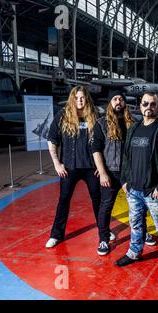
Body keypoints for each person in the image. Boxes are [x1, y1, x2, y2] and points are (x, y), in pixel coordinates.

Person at [116, 91, 158, 283]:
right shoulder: (134, 128)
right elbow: (126, 157)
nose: (148, 107)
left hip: (153, 190)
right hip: (133, 189)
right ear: (140, 106)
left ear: (157, 107)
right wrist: (124, 181)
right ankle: (134, 252)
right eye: (145, 103)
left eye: (152, 104)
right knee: (136, 223)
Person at [91, 91, 157, 256]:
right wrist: (102, 171)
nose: (118, 101)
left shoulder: (133, 123)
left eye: (121, 99)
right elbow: (96, 150)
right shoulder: (100, 124)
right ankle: (103, 238)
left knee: (139, 206)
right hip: (111, 173)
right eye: (115, 99)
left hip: (132, 172)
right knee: (106, 206)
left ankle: (142, 233)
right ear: (110, 103)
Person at [45, 86, 103, 248]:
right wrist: (57, 163)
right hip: (69, 167)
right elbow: (52, 139)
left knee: (97, 199)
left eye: (82, 97)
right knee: (63, 200)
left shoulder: (95, 116)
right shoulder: (62, 116)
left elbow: (103, 142)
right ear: (72, 99)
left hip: (91, 167)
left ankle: (103, 231)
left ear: (87, 99)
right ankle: (56, 235)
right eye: (76, 97)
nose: (80, 100)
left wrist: (102, 165)